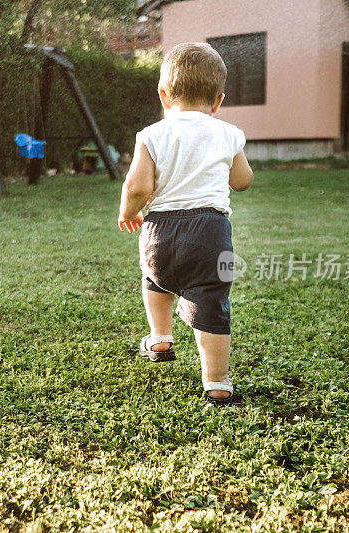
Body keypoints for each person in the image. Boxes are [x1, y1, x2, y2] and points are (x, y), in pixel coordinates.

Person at [117, 42, 254, 405]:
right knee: (212, 302)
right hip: (211, 232)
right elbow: (242, 180)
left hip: (159, 231)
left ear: (164, 95)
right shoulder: (229, 133)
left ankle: (160, 336)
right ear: (218, 101)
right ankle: (217, 382)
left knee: (154, 276)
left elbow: (137, 186)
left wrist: (129, 213)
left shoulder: (151, 135)